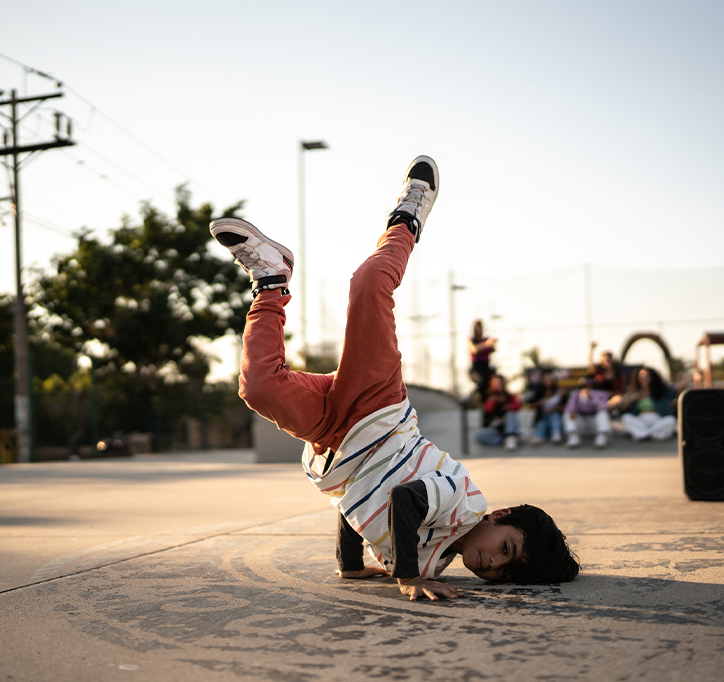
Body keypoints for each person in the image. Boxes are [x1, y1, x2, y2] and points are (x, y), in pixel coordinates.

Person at [210, 156, 579, 600]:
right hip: (378, 409)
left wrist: (351, 564)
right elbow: (406, 499)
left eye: (503, 572)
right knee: (368, 284)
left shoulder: (432, 560)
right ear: (501, 516)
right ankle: (409, 216)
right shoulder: (465, 505)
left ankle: (271, 281)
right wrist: (408, 577)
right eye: (506, 548)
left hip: (336, 441)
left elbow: (356, 503)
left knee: (258, 388)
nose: (492, 564)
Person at [608, 366, 678, 441]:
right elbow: (624, 408)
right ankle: (653, 434)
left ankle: (644, 434)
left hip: (657, 418)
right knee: (626, 417)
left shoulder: (661, 391)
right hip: (641, 418)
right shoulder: (634, 392)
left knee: (671, 420)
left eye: (647, 376)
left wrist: (690, 379)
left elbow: (676, 387)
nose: (644, 378)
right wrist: (632, 399)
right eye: (642, 376)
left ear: (652, 377)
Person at [475, 373, 522, 450]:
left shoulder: (509, 396)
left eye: (499, 383)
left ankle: (511, 436)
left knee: (511, 414)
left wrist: (509, 406)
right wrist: (493, 401)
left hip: (508, 425)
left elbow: (518, 405)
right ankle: (504, 440)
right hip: (496, 428)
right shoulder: (489, 398)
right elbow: (488, 411)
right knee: (479, 435)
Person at [563, 380, 612, 449]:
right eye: (584, 386)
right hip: (582, 421)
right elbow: (570, 406)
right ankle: (573, 436)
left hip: (594, 422)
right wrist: (573, 409)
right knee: (568, 412)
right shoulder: (576, 394)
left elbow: (604, 407)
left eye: (588, 386)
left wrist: (592, 397)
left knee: (603, 414)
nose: (586, 389)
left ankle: (601, 437)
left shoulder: (601, 394)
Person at [525, 368, 567, 444]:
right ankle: (539, 436)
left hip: (555, 414)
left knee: (555, 417)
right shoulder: (538, 392)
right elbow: (530, 405)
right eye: (546, 379)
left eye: (550, 379)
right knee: (541, 423)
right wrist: (541, 401)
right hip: (542, 416)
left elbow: (565, 406)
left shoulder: (560, 392)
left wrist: (553, 409)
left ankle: (556, 434)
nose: (548, 382)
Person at [469, 320, 496, 402]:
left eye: (480, 328)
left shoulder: (486, 339)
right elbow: (474, 350)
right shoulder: (472, 340)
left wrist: (489, 343)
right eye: (477, 328)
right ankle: (477, 400)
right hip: (476, 368)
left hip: (486, 367)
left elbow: (493, 347)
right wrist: (486, 344)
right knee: (482, 383)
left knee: (494, 383)